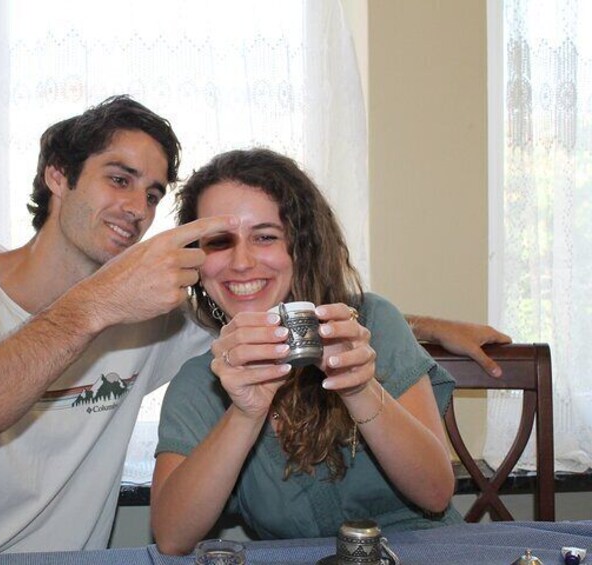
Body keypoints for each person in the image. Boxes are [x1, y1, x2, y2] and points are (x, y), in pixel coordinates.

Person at [0, 97, 507, 559]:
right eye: (119, 179)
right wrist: (97, 303)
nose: (137, 208)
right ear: (57, 175)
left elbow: (274, 301)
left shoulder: (162, 317)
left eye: (154, 194)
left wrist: (428, 325)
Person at [151, 148, 474, 555]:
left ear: (302, 246)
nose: (241, 262)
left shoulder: (369, 325)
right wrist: (245, 413)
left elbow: (436, 493)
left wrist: (359, 389)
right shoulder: (201, 382)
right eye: (219, 242)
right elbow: (172, 537)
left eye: (265, 237)